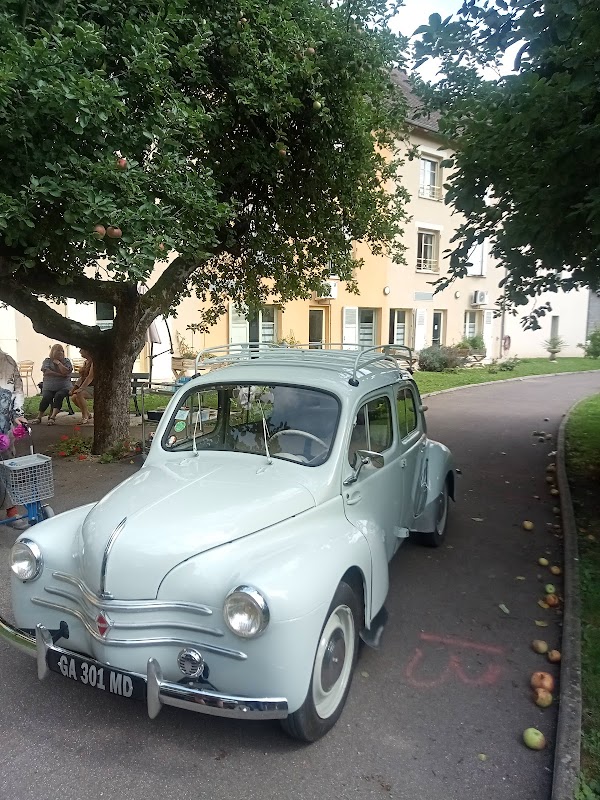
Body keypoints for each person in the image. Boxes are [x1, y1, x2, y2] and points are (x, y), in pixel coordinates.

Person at [0, 347, 29, 529]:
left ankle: (11, 510)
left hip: (4, 425)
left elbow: (17, 391)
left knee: (6, 466)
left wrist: (17, 414)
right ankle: (11, 509)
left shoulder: (8, 362)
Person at [35, 344, 73, 425]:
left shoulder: (66, 361)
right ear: (53, 352)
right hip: (49, 386)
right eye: (58, 350)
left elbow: (66, 372)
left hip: (64, 386)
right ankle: (39, 416)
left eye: (62, 351)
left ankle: (52, 417)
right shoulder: (47, 361)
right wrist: (60, 375)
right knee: (46, 396)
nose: (60, 352)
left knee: (59, 395)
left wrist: (59, 363)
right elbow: (46, 372)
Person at [69, 349, 94, 424]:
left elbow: (90, 377)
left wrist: (81, 389)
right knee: (73, 397)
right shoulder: (86, 362)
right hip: (87, 386)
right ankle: (88, 413)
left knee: (80, 394)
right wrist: (74, 389)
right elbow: (82, 378)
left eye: (81, 350)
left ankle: (84, 417)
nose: (80, 352)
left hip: (95, 387)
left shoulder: (93, 362)